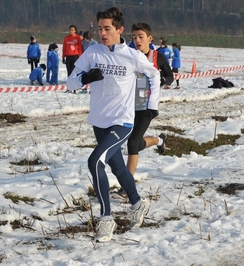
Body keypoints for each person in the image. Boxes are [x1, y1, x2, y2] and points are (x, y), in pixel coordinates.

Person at [66, 7, 161, 243]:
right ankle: (138, 203)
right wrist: (85, 78)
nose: (102, 33)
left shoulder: (132, 55)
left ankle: (106, 219)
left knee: (95, 161)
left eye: (107, 28)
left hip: (123, 121)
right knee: (118, 168)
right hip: (100, 122)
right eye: (99, 29)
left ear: (119, 29)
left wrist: (153, 104)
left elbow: (155, 75)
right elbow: (69, 83)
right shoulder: (92, 53)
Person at [113, 22, 173, 200]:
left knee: (132, 143)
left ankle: (126, 187)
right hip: (130, 105)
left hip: (147, 108)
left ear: (149, 38)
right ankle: (158, 140)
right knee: (135, 143)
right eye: (134, 37)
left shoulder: (158, 57)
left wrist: (161, 81)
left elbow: (170, 76)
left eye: (140, 37)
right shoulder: (129, 55)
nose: (137, 40)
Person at [62, 24, 82, 89]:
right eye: (70, 30)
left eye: (72, 30)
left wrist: (80, 56)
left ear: (75, 31)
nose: (71, 31)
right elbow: (64, 47)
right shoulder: (66, 38)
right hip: (68, 56)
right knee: (69, 71)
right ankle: (69, 86)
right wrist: (63, 56)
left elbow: (79, 48)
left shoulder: (77, 38)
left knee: (74, 71)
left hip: (75, 56)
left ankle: (75, 86)